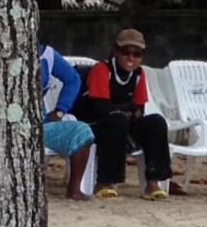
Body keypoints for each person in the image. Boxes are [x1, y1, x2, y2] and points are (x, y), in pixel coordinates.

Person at [73, 29, 171, 200]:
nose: (131, 58)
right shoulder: (102, 69)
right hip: (93, 124)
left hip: (120, 122)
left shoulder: (139, 74)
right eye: (126, 52)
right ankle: (105, 181)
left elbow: (140, 109)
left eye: (137, 54)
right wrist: (128, 108)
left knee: (156, 122)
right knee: (116, 120)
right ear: (115, 51)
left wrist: (126, 109)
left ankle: (153, 181)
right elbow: (101, 107)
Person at [40, 45, 95, 201]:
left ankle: (74, 189)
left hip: (40, 127)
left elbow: (73, 80)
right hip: (2, 126)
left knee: (83, 131)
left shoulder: (47, 55)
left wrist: (60, 110)